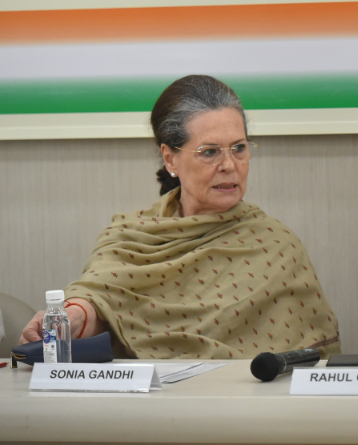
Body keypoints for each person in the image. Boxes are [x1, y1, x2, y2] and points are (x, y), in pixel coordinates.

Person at [20, 75, 341, 359]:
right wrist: (72, 317)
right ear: (170, 158)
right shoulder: (128, 236)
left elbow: (308, 358)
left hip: (249, 402)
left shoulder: (277, 246)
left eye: (239, 148)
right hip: (144, 401)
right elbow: (102, 304)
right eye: (209, 152)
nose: (229, 165)